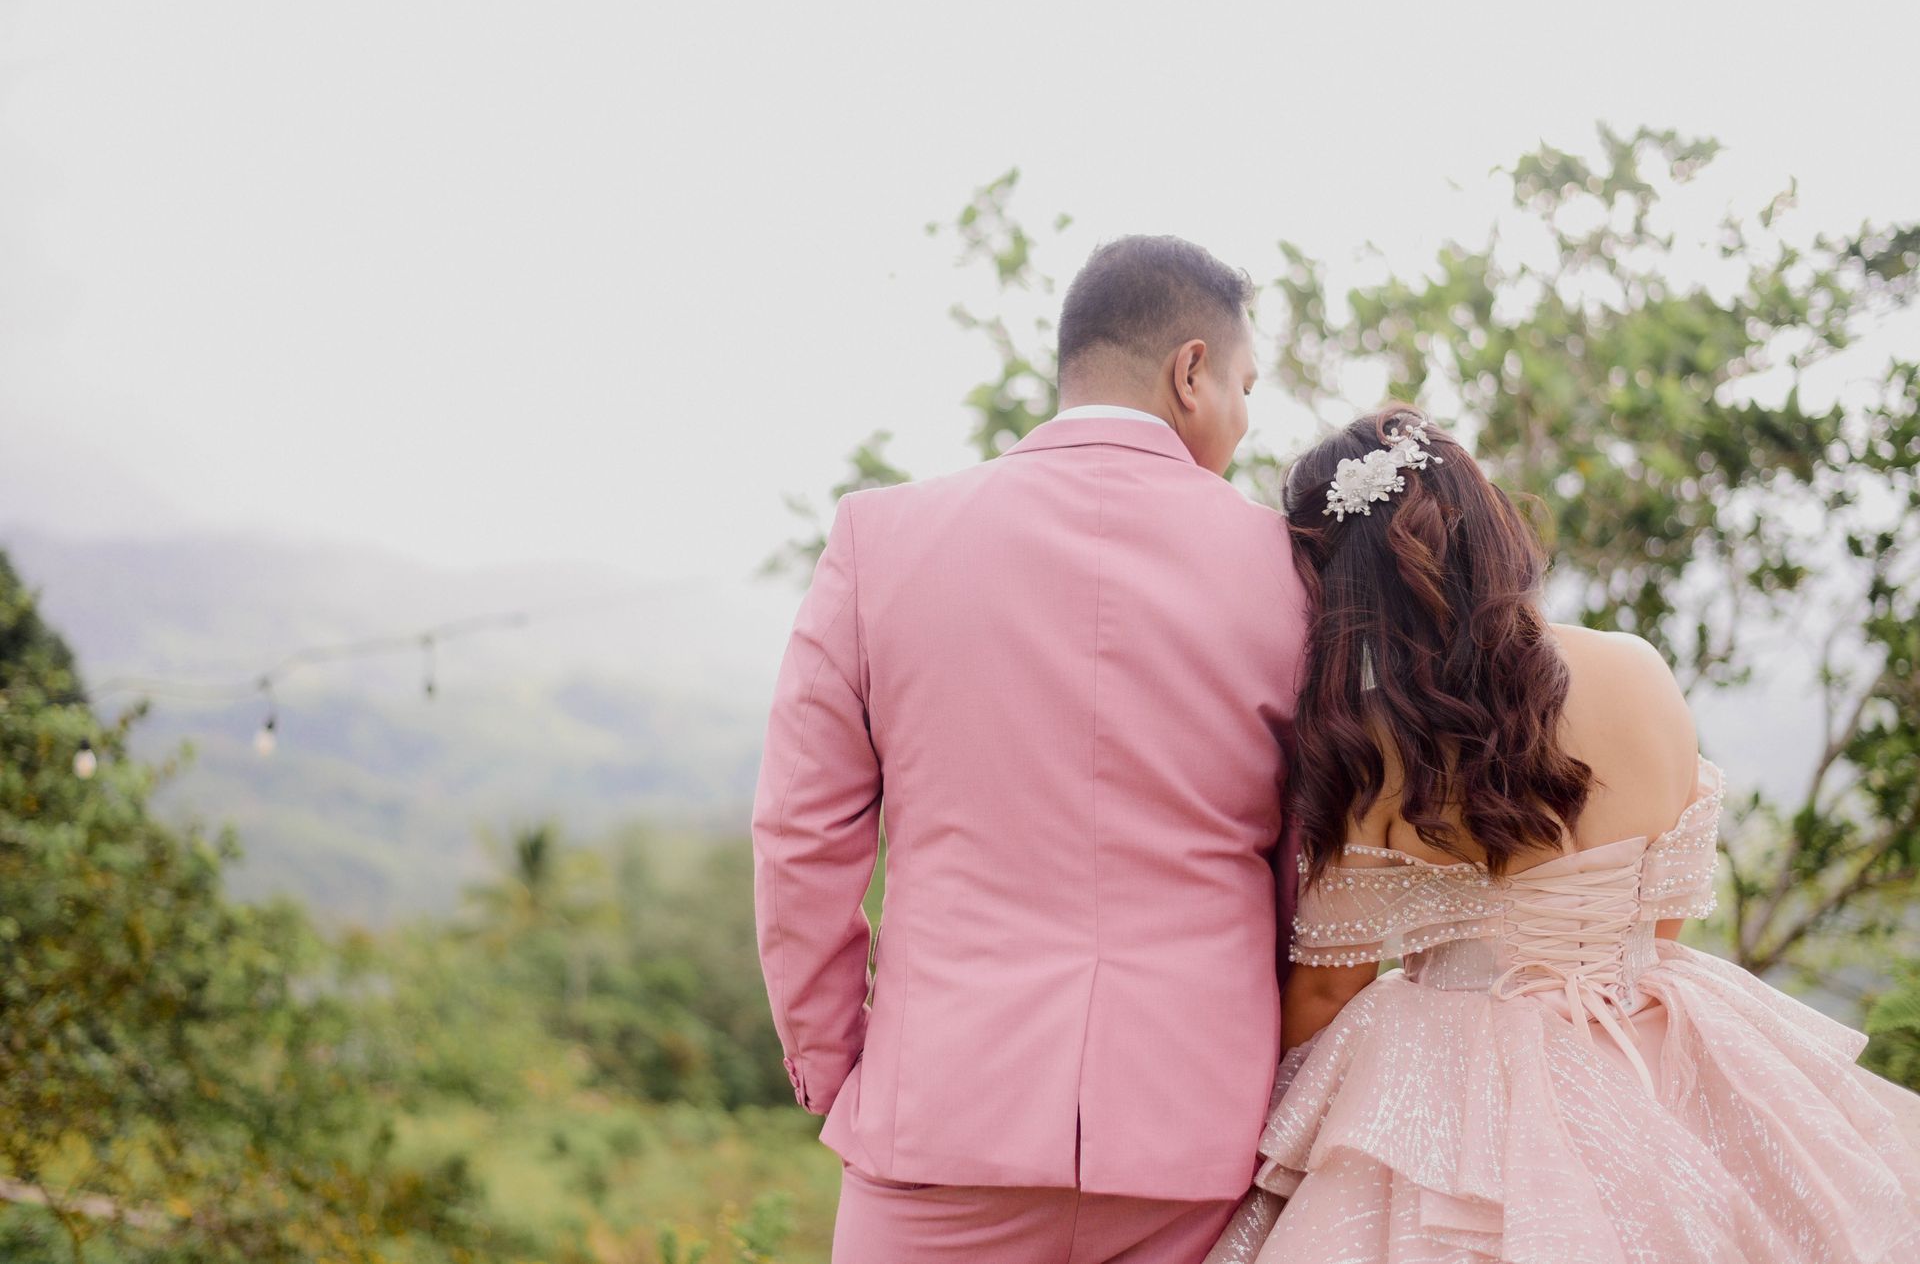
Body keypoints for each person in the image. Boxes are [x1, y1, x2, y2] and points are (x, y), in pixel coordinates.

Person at [1205, 405, 1920, 1263]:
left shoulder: (1381, 746)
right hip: (1652, 1040)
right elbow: (1662, 915)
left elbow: (1328, 989)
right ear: (1489, 526)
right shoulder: (1639, 668)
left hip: (1461, 1090)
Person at [750, 234, 1311, 1262]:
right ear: (1190, 371)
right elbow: (1311, 863)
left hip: (938, 1120)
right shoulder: (1295, 572)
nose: (1242, 419)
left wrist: (836, 1065)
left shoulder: (880, 540)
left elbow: (801, 837)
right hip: (1196, 1135)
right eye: (1244, 387)